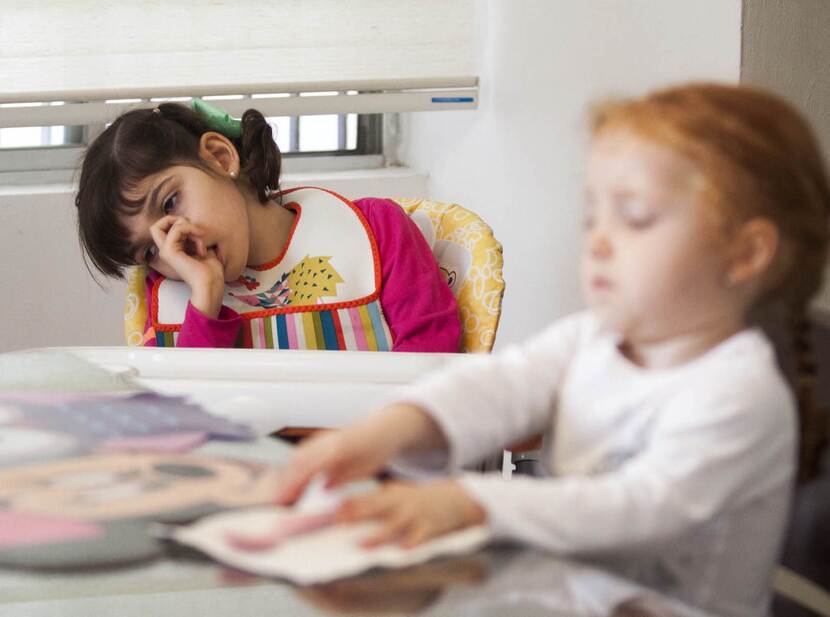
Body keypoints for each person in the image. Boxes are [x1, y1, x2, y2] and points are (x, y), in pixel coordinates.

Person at [272, 83, 830, 617]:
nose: (598, 241)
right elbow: (498, 385)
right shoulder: (592, 338)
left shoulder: (740, 391)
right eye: (593, 217)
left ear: (744, 253)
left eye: (635, 218)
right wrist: (386, 430)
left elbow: (637, 509)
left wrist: (469, 502)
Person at [75, 101, 460, 352]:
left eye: (171, 202)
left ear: (219, 157)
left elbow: (433, 369)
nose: (176, 243)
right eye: (150, 251)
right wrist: (206, 300)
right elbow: (185, 427)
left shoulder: (377, 231)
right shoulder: (177, 301)